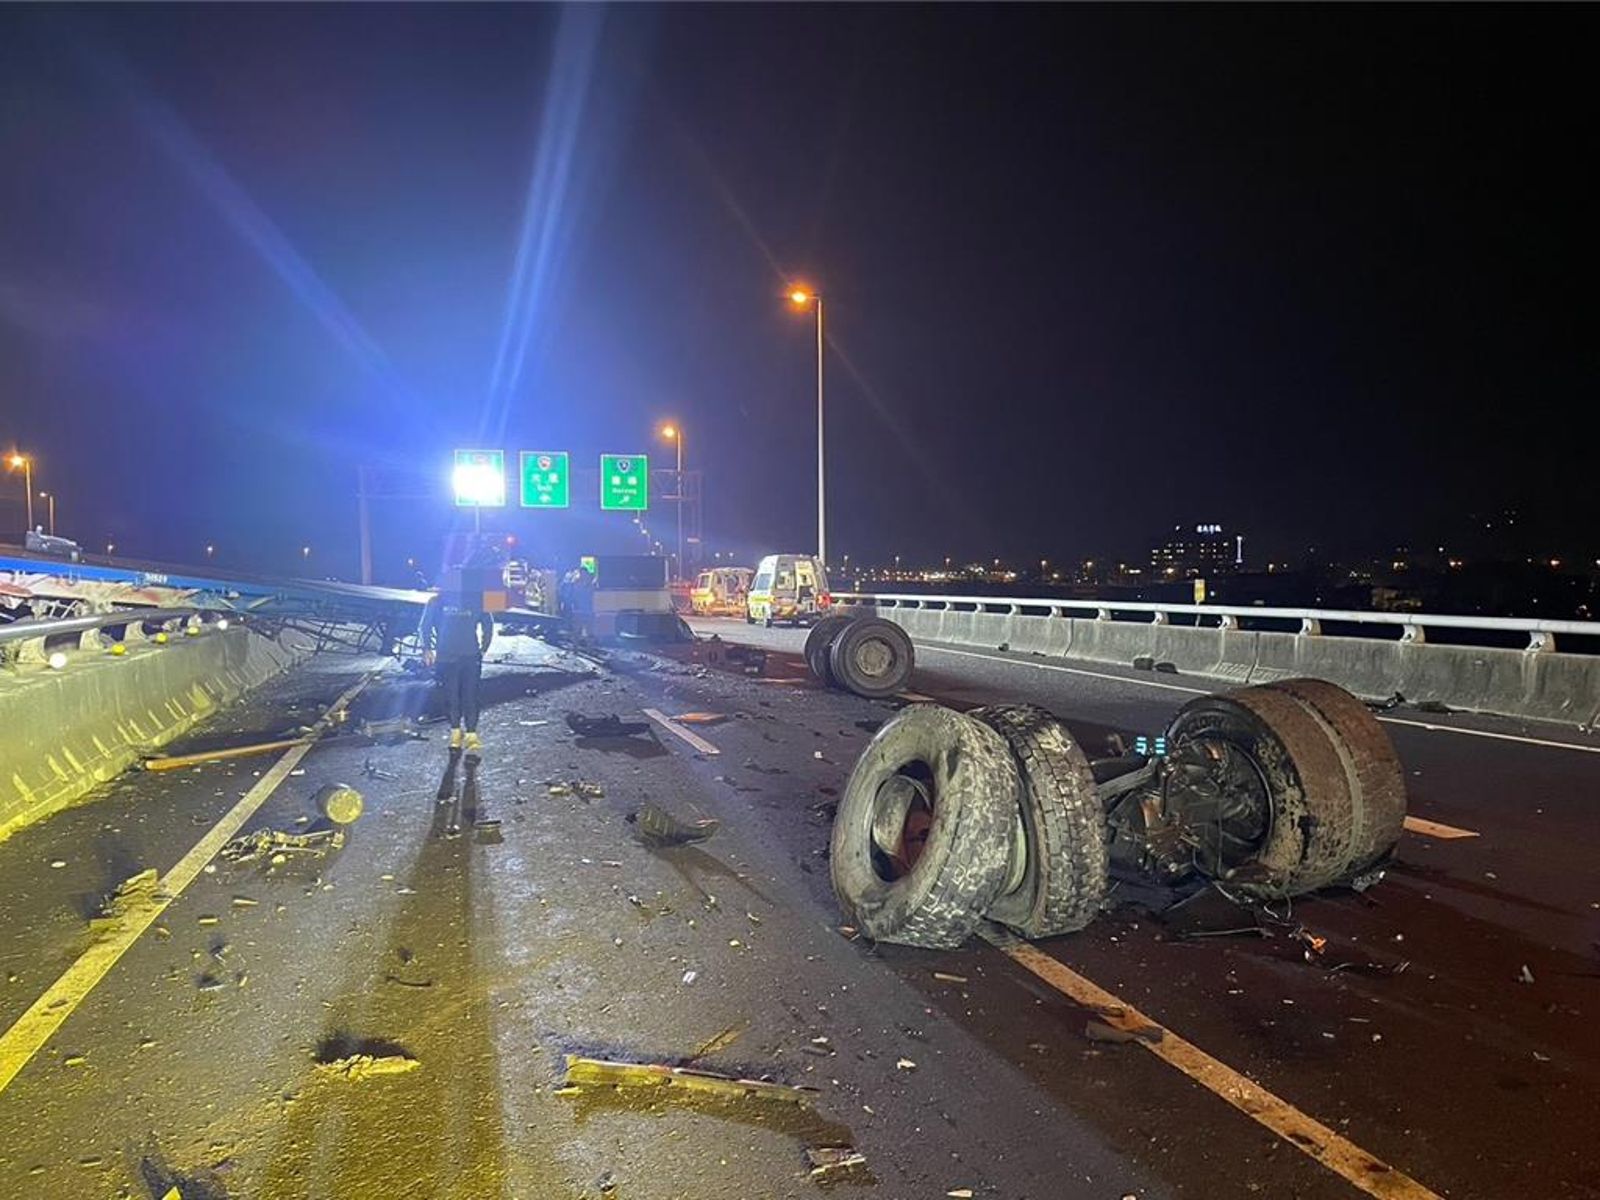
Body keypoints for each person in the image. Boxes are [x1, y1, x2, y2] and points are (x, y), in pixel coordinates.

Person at [417, 587, 494, 756]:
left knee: (470, 697)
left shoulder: (478, 600)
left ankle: (472, 735)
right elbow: (424, 626)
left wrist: (484, 647)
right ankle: (455, 733)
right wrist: (426, 649)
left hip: (471, 657)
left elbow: (488, 623)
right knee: (451, 697)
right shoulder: (436, 602)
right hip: (446, 658)